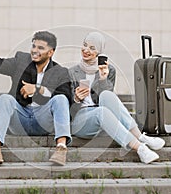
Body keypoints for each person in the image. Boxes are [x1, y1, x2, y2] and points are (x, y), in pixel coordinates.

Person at [0, 31, 72, 166]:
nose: (35, 51)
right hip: (20, 119)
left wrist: (38, 89)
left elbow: (67, 96)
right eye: (33, 46)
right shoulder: (21, 60)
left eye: (40, 48)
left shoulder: (60, 71)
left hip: (43, 121)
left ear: (51, 52)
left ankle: (61, 148)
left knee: (61, 99)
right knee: (5, 98)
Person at [68, 32, 165, 164]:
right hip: (80, 120)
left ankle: (140, 136)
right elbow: (67, 107)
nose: (86, 50)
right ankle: (140, 148)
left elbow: (107, 100)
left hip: (104, 116)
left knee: (107, 95)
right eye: (85, 45)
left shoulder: (109, 70)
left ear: (99, 51)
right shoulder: (72, 72)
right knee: (101, 112)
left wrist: (103, 79)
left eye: (92, 48)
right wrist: (76, 99)